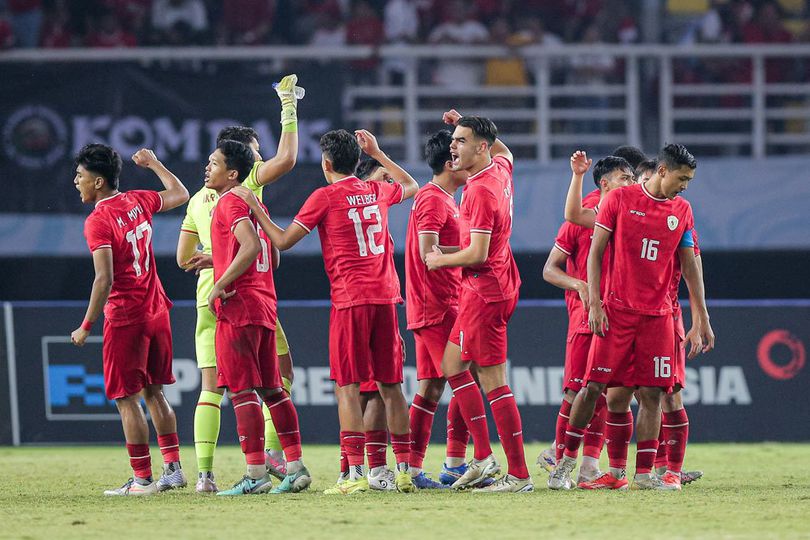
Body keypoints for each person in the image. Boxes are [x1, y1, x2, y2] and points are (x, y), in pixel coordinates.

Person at [233, 128, 419, 495]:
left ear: (327, 163)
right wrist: (379, 154)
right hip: (385, 298)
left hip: (350, 301)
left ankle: (352, 474)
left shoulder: (325, 197)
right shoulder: (376, 190)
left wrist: (255, 206)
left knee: (347, 389)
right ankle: (402, 470)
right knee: (391, 387)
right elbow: (410, 185)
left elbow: (283, 240)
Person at [549, 143, 715, 491]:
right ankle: (565, 462)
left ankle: (643, 476)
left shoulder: (682, 210)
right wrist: (594, 302)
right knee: (593, 387)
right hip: (617, 312)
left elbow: (690, 265)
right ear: (663, 172)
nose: (685, 186)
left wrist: (702, 317)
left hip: (657, 317)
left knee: (653, 394)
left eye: (690, 180)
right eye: (682, 178)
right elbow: (595, 253)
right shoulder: (619, 200)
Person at [177, 75, 301, 493]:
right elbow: (286, 159)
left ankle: (206, 475)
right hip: (244, 294)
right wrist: (288, 105)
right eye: (256, 152)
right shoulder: (244, 188)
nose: (261, 157)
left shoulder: (198, 199)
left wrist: (215, 264)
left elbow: (183, 259)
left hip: (214, 296)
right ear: (242, 160)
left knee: (215, 388)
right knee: (276, 379)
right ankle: (273, 458)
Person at [71, 144, 190, 496]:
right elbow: (180, 193)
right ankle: (173, 469)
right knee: (156, 392)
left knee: (126, 399)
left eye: (80, 176)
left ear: (98, 181)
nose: (76, 182)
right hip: (157, 310)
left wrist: (86, 325)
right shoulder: (137, 200)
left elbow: (103, 279)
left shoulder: (98, 220)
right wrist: (154, 164)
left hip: (126, 317)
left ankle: (141, 479)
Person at [425, 110, 532, 493]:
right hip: (499, 283)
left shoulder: (480, 191)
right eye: (453, 140)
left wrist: (439, 259)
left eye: (461, 141)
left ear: (480, 147)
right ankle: (485, 457)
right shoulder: (499, 168)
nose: (453, 147)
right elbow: (507, 152)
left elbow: (478, 254)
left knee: (491, 381)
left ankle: (513, 473)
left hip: (485, 289)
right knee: (455, 365)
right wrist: (465, 120)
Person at [206, 139, 310, 496]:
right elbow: (270, 255)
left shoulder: (228, 201)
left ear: (232, 173)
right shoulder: (252, 202)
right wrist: (219, 259)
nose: (208, 167)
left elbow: (249, 246)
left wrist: (220, 283)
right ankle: (295, 467)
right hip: (265, 305)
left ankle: (255, 473)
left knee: (241, 391)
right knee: (274, 391)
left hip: (240, 308)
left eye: (214, 163)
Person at [536, 153, 634, 485]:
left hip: (619, 313)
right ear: (605, 182)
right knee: (575, 391)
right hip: (585, 315)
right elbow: (549, 269)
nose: (632, 183)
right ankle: (561, 456)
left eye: (634, 178)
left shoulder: (628, 217)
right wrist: (579, 284)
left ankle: (589, 465)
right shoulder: (584, 218)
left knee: (606, 391)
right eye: (626, 177)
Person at [405, 130, 469, 489]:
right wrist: (473, 255)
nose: (466, 163)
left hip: (444, 302)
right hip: (437, 305)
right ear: (449, 163)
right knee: (467, 379)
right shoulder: (433, 199)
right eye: (459, 155)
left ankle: (413, 469)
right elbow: (428, 254)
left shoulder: (446, 198)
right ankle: (456, 462)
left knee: (431, 387)